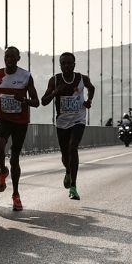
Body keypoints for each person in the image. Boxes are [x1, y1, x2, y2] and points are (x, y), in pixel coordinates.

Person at [40, 51, 95, 200]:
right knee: (65, 156)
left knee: (73, 147)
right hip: (62, 122)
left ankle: (73, 187)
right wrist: (55, 93)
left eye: (69, 63)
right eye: (63, 63)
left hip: (78, 119)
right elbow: (43, 101)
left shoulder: (82, 79)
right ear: (60, 65)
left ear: (74, 64)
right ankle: (68, 172)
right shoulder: (55, 80)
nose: (66, 66)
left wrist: (88, 101)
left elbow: (92, 88)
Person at [0, 46, 40, 211]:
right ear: (4, 58)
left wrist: (24, 100)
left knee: (14, 158)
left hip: (20, 122)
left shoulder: (26, 76)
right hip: (4, 119)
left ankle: (16, 195)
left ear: (18, 58)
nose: (9, 59)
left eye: (13, 57)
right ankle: (3, 171)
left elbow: (36, 102)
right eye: (7, 56)